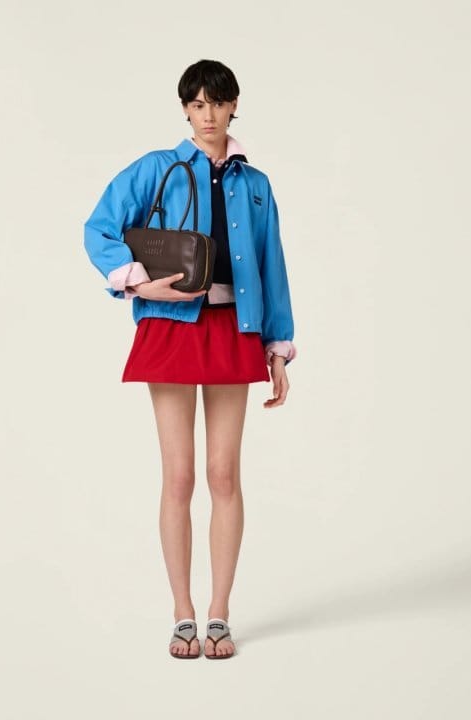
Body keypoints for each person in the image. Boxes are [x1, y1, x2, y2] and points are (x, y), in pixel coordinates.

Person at [82, 59, 297, 659]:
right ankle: (183, 614)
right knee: (178, 476)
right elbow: (99, 228)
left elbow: (272, 265)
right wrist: (135, 281)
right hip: (171, 327)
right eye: (198, 105)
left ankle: (220, 614)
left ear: (234, 107)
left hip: (234, 328)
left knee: (224, 475)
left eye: (218, 103)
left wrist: (278, 348)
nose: (208, 115)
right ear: (185, 109)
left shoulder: (256, 185)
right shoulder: (156, 168)